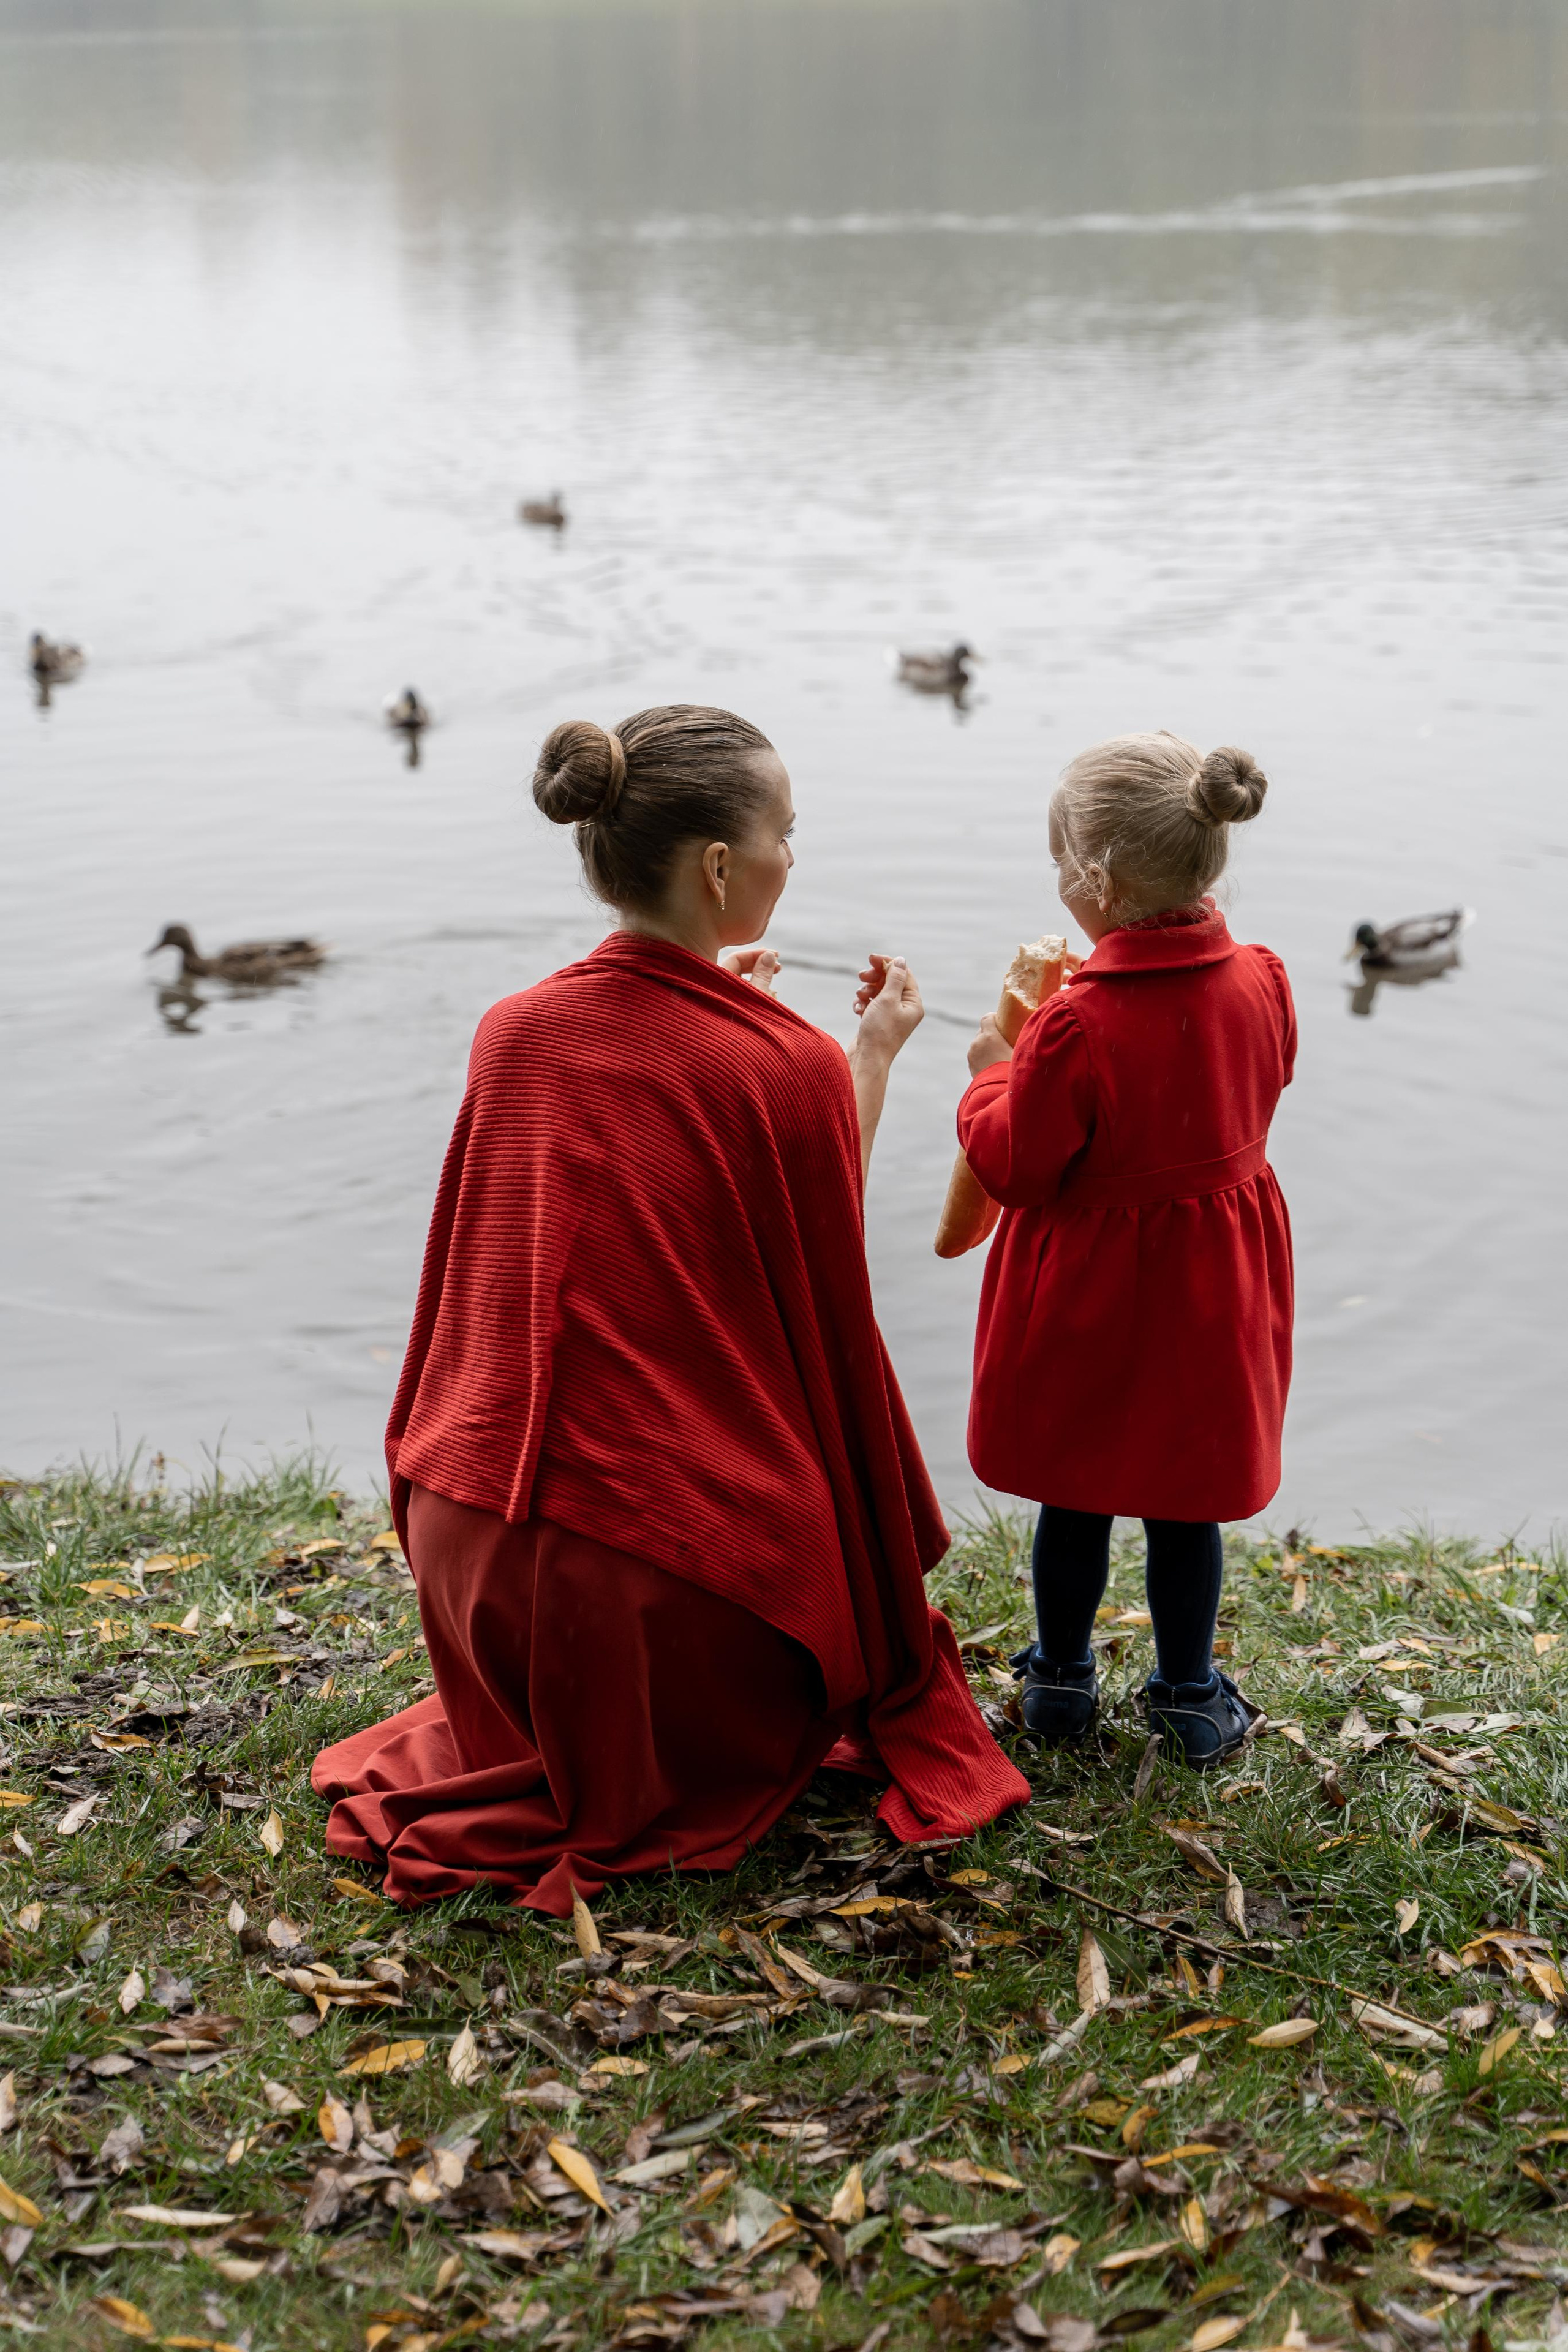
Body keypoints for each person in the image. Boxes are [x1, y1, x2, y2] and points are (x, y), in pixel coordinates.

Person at [314, 704, 1028, 1911]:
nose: (791, 859)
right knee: (775, 1493)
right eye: (784, 835)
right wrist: (866, 1055)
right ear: (715, 867)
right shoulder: (783, 1063)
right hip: (644, 1608)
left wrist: (710, 1001)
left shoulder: (513, 1033)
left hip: (467, 1562)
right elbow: (817, 1256)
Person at [957, 731, 1295, 1768]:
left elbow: (1016, 1166)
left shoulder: (1072, 1028)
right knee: (1184, 1500)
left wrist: (989, 1072)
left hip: (1094, 1294)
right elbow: (1265, 1079)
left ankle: (1060, 1683)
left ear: (1092, 875)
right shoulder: (1264, 979)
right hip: (1212, 1287)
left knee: (1079, 1487)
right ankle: (1190, 1696)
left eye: (1060, 858)